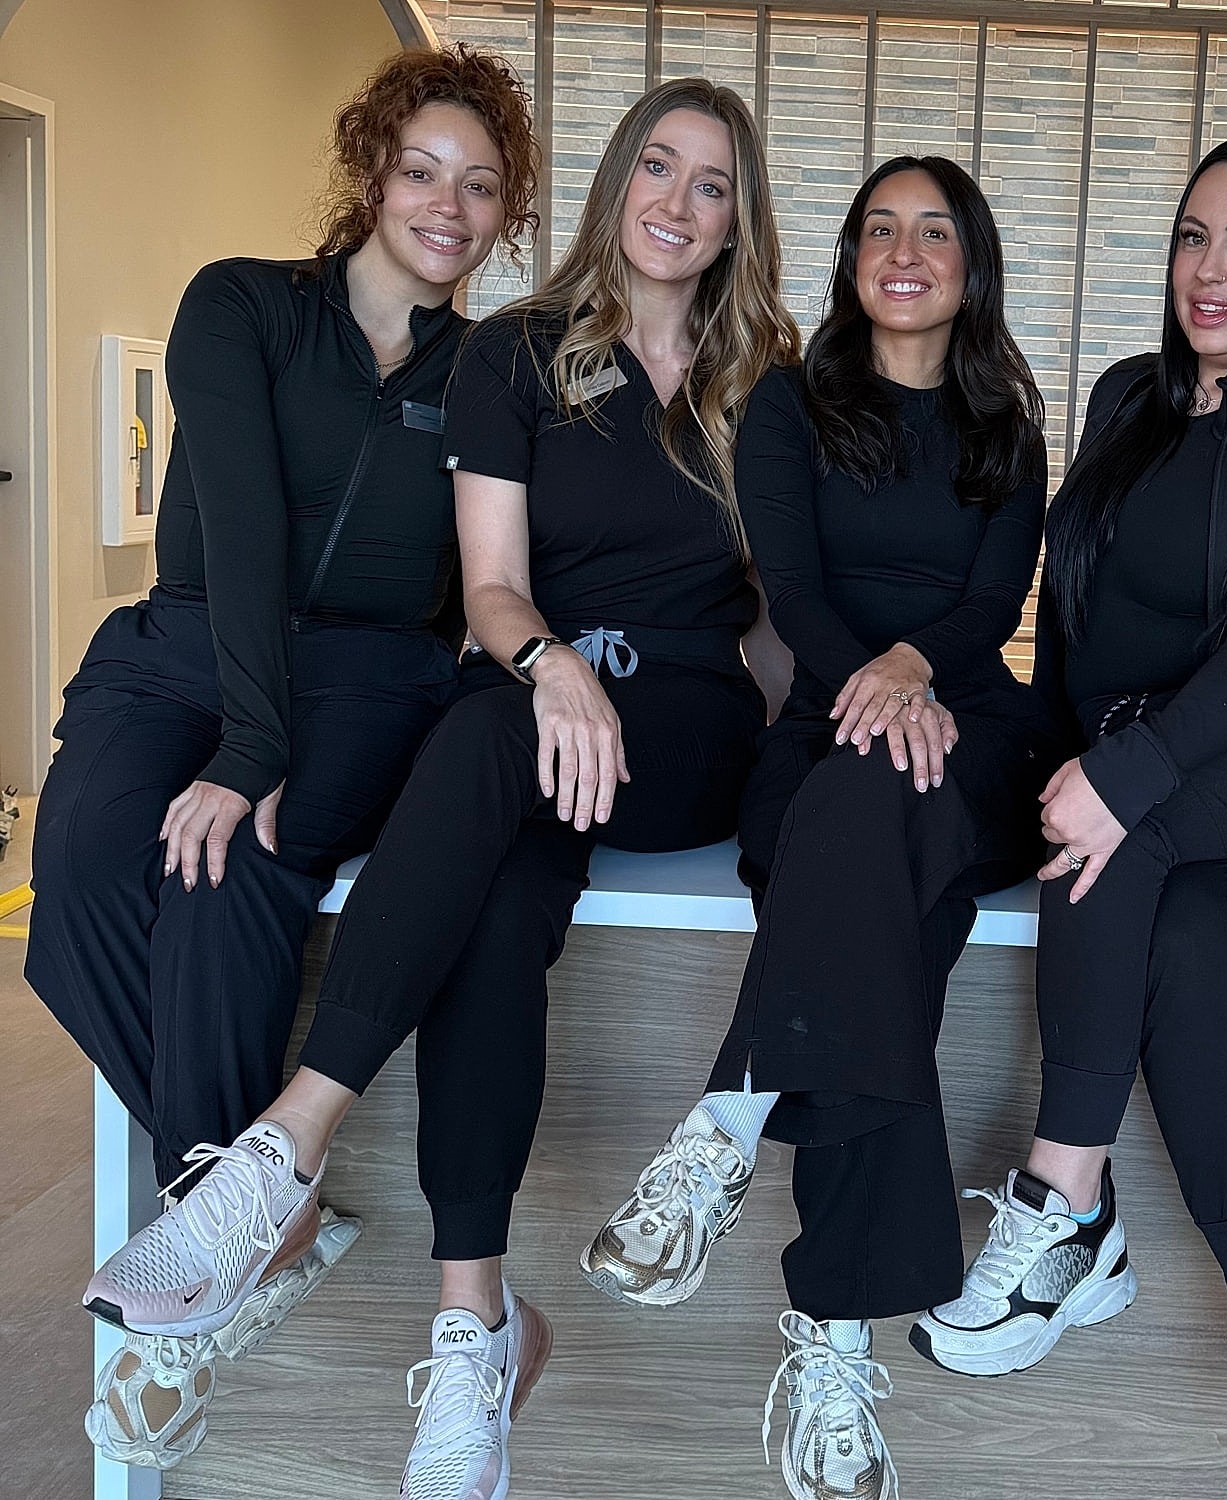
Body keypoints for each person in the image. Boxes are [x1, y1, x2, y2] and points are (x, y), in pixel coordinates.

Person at [78, 78, 798, 1499]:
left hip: (683, 730)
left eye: (710, 184)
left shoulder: (769, 381)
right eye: (655, 167)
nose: (675, 201)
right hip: (531, 702)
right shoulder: (519, 356)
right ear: (612, 186)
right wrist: (550, 668)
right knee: (489, 899)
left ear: (736, 218)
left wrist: (799, 732)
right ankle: (475, 1329)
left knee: (477, 753)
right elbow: (487, 587)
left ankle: (282, 1149)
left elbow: (778, 614)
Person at [24, 45, 536, 1472]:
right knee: (73, 880)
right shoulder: (243, 304)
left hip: (373, 674)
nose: (448, 204)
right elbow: (239, 526)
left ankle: (197, 1277)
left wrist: (261, 771)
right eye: (423, 169)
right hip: (185, 645)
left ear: (505, 216)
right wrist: (246, 738)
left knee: (235, 867)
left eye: (481, 187)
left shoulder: (486, 369)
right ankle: (259, 1203)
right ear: (372, 170)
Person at [911, 134, 1227, 1500]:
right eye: (1194, 235)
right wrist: (1079, 759)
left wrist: (1119, 785)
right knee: (1191, 961)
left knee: (1115, 833)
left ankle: (1062, 1197)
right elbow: (1079, 617)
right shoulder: (1129, 397)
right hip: (1179, 764)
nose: (1211, 269)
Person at [576, 154, 1052, 1500]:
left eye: (935, 232)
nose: (905, 252)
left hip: (972, 726)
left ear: (972, 262)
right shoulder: (789, 402)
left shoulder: (1005, 421)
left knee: (881, 807)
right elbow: (788, 586)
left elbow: (986, 608)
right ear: (849, 257)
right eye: (878, 230)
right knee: (875, 884)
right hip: (827, 735)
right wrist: (870, 684)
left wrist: (912, 676)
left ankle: (729, 1121)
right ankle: (835, 1342)